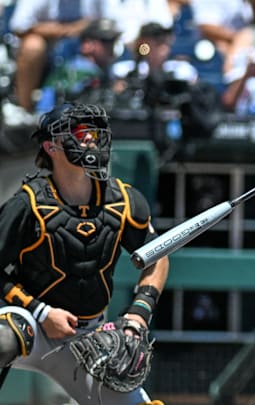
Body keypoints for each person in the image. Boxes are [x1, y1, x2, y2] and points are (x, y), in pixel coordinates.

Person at [0, 102, 169, 404]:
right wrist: (41, 311)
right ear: (51, 146)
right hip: (32, 322)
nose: (90, 138)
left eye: (92, 131)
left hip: (87, 337)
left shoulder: (123, 200)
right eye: (79, 131)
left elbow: (158, 257)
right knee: (3, 339)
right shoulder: (27, 204)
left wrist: (139, 313)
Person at [8, 0, 105, 113]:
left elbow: (104, 22)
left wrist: (83, 27)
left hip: (80, 49)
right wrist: (64, 30)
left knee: (103, 42)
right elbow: (19, 26)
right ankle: (25, 109)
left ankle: (104, 106)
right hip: (45, 53)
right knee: (33, 46)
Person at [35, 18, 122, 113]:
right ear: (87, 44)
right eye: (106, 41)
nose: (111, 46)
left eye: (114, 41)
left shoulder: (105, 70)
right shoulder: (78, 69)